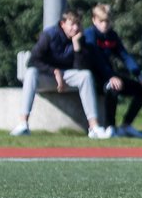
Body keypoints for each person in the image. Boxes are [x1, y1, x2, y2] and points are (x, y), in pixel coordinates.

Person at [11, 9, 114, 139]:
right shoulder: (49, 35)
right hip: (46, 75)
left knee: (86, 76)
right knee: (31, 72)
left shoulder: (81, 38)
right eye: (72, 24)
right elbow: (33, 61)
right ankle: (23, 124)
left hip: (66, 77)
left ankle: (94, 128)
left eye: (78, 24)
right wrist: (54, 71)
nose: (75, 28)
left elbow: (80, 68)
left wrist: (77, 45)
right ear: (62, 24)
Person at [83, 3, 142, 138]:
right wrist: (110, 77)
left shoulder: (112, 36)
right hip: (94, 78)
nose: (104, 25)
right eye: (101, 21)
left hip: (109, 75)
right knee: (113, 88)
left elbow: (124, 56)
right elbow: (96, 60)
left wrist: (140, 76)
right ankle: (110, 127)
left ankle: (126, 125)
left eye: (107, 21)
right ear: (94, 20)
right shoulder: (90, 35)